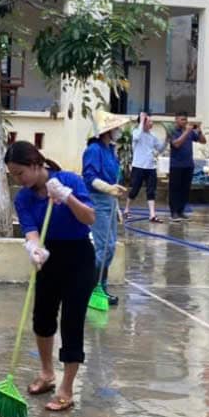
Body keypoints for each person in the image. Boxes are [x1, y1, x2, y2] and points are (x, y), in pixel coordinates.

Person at [6, 140, 98, 413]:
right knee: (42, 317)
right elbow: (30, 230)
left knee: (71, 321)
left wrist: (67, 197)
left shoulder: (68, 179)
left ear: (36, 165)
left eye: (20, 173)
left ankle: (67, 388)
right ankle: (47, 373)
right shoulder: (23, 197)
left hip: (79, 257)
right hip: (49, 256)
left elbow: (89, 218)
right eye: (13, 175)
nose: (18, 180)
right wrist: (34, 248)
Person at [83, 111, 128, 306]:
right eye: (115, 127)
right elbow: (89, 177)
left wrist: (114, 195)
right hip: (98, 200)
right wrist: (109, 188)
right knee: (104, 247)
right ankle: (90, 287)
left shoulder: (110, 149)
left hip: (110, 201)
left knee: (109, 248)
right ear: (107, 130)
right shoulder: (94, 150)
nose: (118, 130)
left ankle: (101, 287)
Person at [128, 111, 167, 223]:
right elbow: (137, 137)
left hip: (150, 167)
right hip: (138, 166)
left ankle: (152, 214)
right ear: (143, 123)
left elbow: (160, 149)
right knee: (134, 189)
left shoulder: (152, 136)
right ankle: (126, 209)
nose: (152, 123)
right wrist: (141, 120)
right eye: (149, 121)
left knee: (151, 191)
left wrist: (166, 140)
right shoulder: (136, 132)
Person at [168, 111, 206, 222]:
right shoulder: (172, 131)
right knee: (175, 189)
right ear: (176, 120)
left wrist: (199, 131)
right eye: (182, 119)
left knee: (185, 190)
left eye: (185, 119)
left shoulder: (189, 132)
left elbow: (203, 141)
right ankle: (173, 212)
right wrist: (187, 132)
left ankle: (181, 211)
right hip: (176, 165)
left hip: (188, 165)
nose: (184, 121)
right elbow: (176, 144)